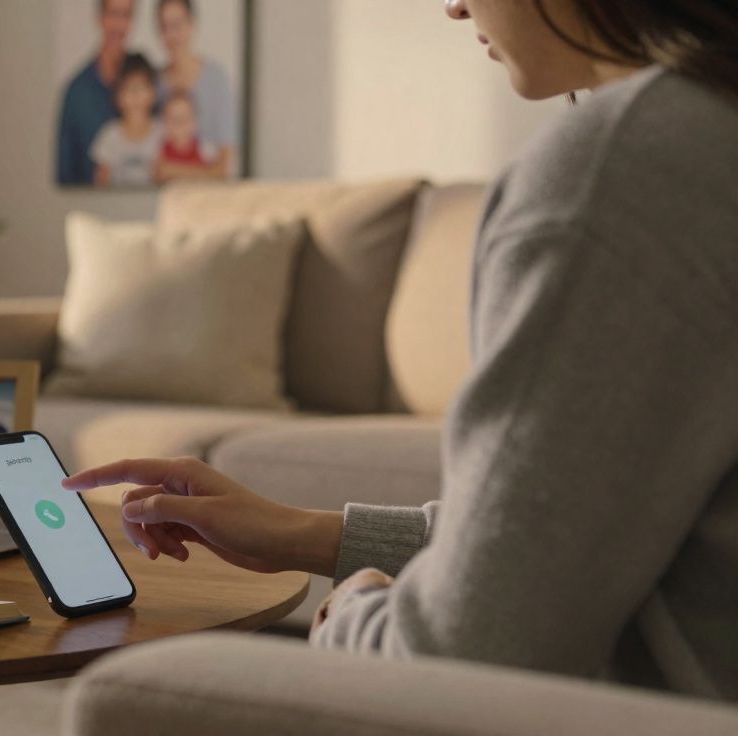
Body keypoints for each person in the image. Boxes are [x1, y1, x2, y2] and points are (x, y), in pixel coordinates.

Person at [63, 0, 738, 700]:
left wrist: (349, 612)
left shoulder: (620, 169)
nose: (453, 5)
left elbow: (466, 658)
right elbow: (559, 535)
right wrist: (297, 532)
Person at [153, 0, 235, 182]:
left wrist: (173, 170)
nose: (171, 35)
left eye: (177, 25)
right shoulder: (154, 83)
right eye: (164, 27)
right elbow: (153, 164)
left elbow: (223, 166)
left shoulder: (216, 79)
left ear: (192, 24)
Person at [56, 0, 134, 185]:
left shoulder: (148, 83)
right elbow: (65, 174)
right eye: (113, 14)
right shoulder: (77, 91)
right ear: (100, 18)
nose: (119, 25)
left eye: (126, 15)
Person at [90, 53, 161, 187]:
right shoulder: (109, 135)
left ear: (153, 93)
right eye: (128, 88)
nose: (135, 95)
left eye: (141, 87)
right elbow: (100, 183)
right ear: (117, 96)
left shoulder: (164, 132)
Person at [159, 90, 216, 169]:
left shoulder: (206, 150)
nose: (180, 123)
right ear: (165, 123)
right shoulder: (159, 149)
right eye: (174, 118)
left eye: (185, 118)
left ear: (195, 122)